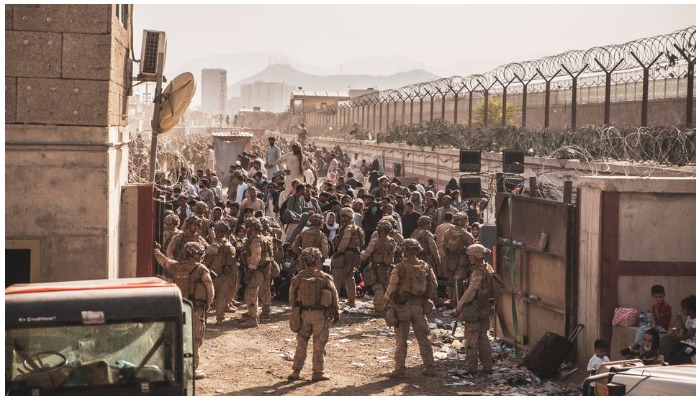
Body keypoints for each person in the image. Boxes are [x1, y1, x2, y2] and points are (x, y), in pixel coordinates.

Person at [153, 241, 214, 379]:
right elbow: (210, 290)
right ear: (194, 254)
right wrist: (208, 305)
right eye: (199, 253)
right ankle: (191, 370)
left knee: (180, 337)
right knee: (195, 339)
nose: (201, 255)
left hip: (180, 308)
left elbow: (164, 261)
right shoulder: (201, 269)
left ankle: (177, 368)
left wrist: (156, 250)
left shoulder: (176, 266)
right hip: (196, 309)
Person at [383, 238, 438, 378]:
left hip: (403, 308)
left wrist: (385, 304)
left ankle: (399, 369)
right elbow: (434, 285)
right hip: (419, 307)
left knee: (402, 339)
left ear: (404, 251)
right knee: (423, 337)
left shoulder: (400, 267)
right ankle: (430, 367)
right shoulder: (425, 266)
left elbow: (392, 287)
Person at [287, 247, 340, 382]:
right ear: (318, 261)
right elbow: (334, 295)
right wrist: (336, 312)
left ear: (304, 262)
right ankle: (317, 373)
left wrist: (295, 311)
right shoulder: (324, 277)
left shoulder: (298, 277)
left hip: (304, 314)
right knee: (319, 344)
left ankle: (296, 371)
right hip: (320, 316)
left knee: (302, 342)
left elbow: (292, 296)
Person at [454, 243, 494, 375]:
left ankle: (472, 367)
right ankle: (487, 366)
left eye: (470, 256)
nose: (469, 258)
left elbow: (470, 293)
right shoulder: (488, 268)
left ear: (477, 256)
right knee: (483, 338)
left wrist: (459, 306)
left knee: (471, 339)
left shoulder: (477, 272)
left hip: (475, 310)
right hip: (484, 309)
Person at [621, 285, 672, 357]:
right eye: (656, 297)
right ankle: (635, 350)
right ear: (652, 297)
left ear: (664, 295)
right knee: (640, 329)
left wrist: (656, 308)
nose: (658, 299)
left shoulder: (666, 306)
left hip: (662, 327)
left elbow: (658, 317)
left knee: (643, 331)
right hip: (656, 325)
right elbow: (653, 317)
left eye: (660, 297)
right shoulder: (654, 305)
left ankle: (631, 348)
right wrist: (653, 325)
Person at [240, 218, 273, 328]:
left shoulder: (256, 240)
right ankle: (252, 313)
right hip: (264, 268)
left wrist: (250, 270)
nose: (246, 229)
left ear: (252, 228)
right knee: (260, 291)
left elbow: (256, 257)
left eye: (248, 227)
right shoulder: (262, 238)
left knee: (251, 293)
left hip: (256, 269)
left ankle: (253, 318)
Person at [204, 221, 238, 325]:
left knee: (222, 296)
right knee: (208, 296)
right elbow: (206, 257)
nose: (221, 234)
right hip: (211, 272)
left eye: (222, 232)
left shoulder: (228, 245)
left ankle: (219, 318)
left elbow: (232, 260)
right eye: (219, 231)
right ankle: (204, 317)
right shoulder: (211, 242)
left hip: (223, 273)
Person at [360, 220, 397, 314]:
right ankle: (390, 307)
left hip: (376, 269)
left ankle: (380, 308)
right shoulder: (392, 242)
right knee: (388, 288)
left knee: (378, 288)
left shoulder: (375, 242)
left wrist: (360, 256)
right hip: (388, 269)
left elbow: (365, 255)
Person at [440, 212, 475, 305]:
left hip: (450, 259)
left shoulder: (448, 232)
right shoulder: (466, 234)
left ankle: (450, 298)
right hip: (462, 260)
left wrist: (445, 259)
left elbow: (442, 246)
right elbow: (472, 247)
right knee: (459, 280)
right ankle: (456, 300)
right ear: (464, 222)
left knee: (452, 279)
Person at [334, 207, 365, 308]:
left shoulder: (348, 228)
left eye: (343, 216)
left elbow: (345, 241)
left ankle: (335, 301)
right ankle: (352, 301)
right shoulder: (356, 228)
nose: (341, 218)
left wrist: (338, 251)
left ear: (347, 216)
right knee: (349, 278)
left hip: (346, 255)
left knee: (337, 278)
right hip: (353, 256)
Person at [668, 295, 696, 365]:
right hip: (687, 342)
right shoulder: (690, 317)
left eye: (683, 308)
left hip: (694, 344)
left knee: (683, 355)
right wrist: (680, 321)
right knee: (674, 351)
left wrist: (678, 338)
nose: (682, 310)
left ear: (691, 310)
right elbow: (686, 330)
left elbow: (690, 335)